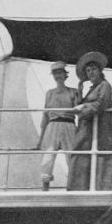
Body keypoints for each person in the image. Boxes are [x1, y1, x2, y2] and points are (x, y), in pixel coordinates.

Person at [67, 51, 112, 191]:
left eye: (93, 69)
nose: (90, 73)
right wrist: (80, 91)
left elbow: (101, 104)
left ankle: (99, 188)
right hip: (86, 129)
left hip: (99, 129)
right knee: (80, 156)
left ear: (99, 70)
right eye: (88, 71)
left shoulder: (105, 86)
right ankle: (78, 188)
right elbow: (79, 104)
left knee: (98, 158)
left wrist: (84, 107)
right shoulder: (91, 89)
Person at [37, 61, 80, 191]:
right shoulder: (49, 93)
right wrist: (40, 139)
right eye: (55, 73)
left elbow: (79, 111)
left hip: (69, 125)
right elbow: (45, 116)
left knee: (72, 157)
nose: (58, 75)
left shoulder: (74, 92)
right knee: (47, 159)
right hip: (52, 126)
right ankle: (45, 188)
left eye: (60, 72)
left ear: (65, 75)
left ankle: (72, 188)